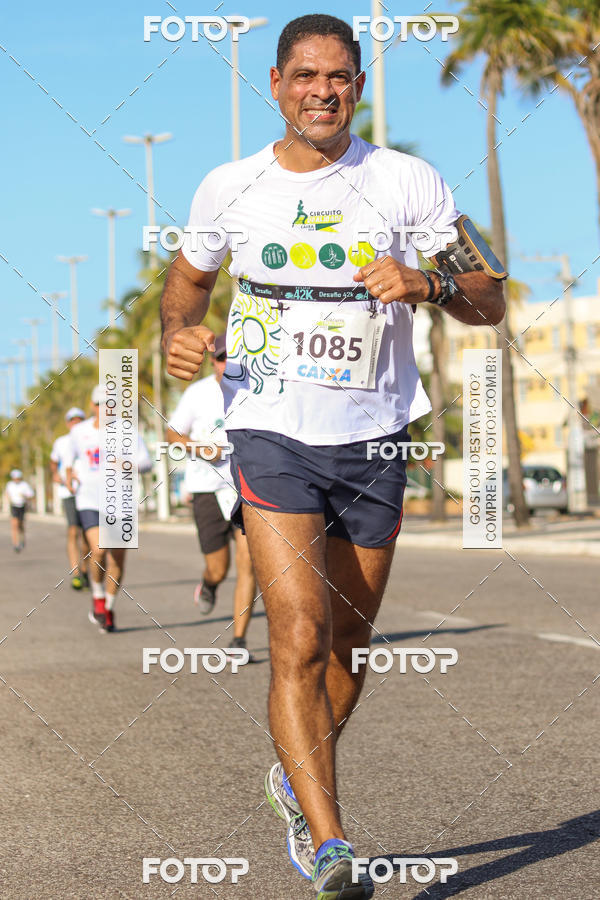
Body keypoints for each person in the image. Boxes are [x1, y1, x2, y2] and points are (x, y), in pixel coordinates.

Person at [160, 14, 506, 898]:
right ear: (274, 84)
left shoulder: (407, 182)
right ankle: (328, 842)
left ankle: (292, 773)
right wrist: (181, 335)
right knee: (301, 635)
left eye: (340, 78)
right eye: (305, 76)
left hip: (376, 435)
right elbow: (190, 281)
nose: (322, 91)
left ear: (358, 87)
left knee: (351, 644)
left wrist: (426, 282)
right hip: (270, 431)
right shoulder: (229, 187)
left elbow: (489, 296)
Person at [166, 334, 256, 658]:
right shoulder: (198, 393)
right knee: (219, 568)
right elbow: (172, 433)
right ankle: (209, 584)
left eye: (232, 357)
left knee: (249, 564)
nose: (226, 364)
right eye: (220, 358)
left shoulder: (255, 388)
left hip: (246, 487)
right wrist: (197, 448)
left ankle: (239, 640)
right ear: (212, 360)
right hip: (206, 487)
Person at [65, 385, 152, 633]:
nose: (107, 409)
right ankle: (97, 596)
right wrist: (69, 475)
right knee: (99, 550)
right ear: (93, 406)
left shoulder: (127, 431)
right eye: (102, 404)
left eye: (111, 404)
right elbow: (68, 459)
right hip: (89, 499)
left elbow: (146, 462)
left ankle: (109, 607)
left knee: (117, 559)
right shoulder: (79, 432)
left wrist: (127, 463)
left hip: (121, 501)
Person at [50, 407, 90, 589]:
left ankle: (86, 569)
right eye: (72, 420)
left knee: (88, 536)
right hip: (69, 492)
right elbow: (53, 463)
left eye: (79, 419)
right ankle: (76, 572)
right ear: (67, 423)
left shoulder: (91, 438)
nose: (76, 423)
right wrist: (56, 475)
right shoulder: (61, 442)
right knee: (73, 530)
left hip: (88, 492)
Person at [5, 469, 35, 552]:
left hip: (22, 506)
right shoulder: (9, 485)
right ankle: (15, 544)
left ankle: (22, 539)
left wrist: (24, 496)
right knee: (14, 524)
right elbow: (7, 494)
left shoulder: (24, 485)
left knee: (20, 525)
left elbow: (31, 495)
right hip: (14, 506)